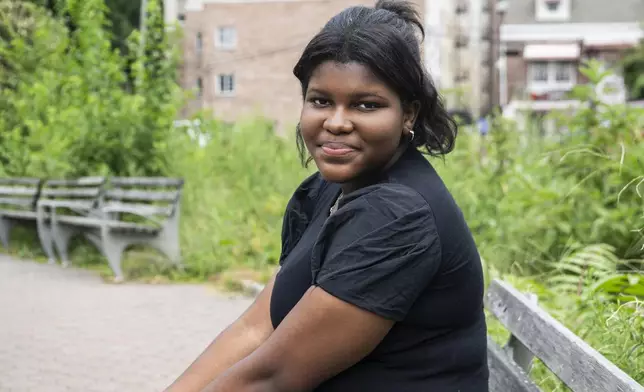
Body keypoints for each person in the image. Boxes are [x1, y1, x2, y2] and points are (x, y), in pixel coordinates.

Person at [165, 1, 488, 391]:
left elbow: (273, 376)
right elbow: (256, 328)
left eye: (366, 105)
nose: (336, 122)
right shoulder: (331, 190)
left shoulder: (398, 216)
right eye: (321, 101)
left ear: (408, 115)